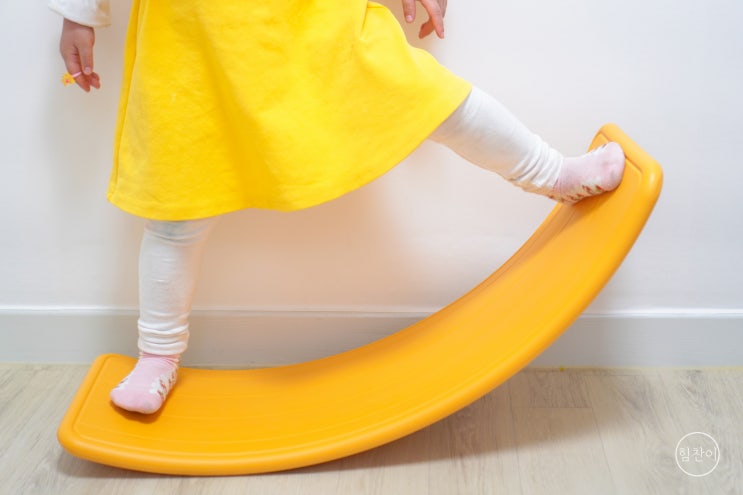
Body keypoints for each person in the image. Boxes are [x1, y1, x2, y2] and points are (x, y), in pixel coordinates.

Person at [51, 0, 625, 414]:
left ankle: (553, 172)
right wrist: (78, 14)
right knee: (175, 205)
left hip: (308, 22)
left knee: (429, 97)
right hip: (188, 42)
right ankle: (157, 356)